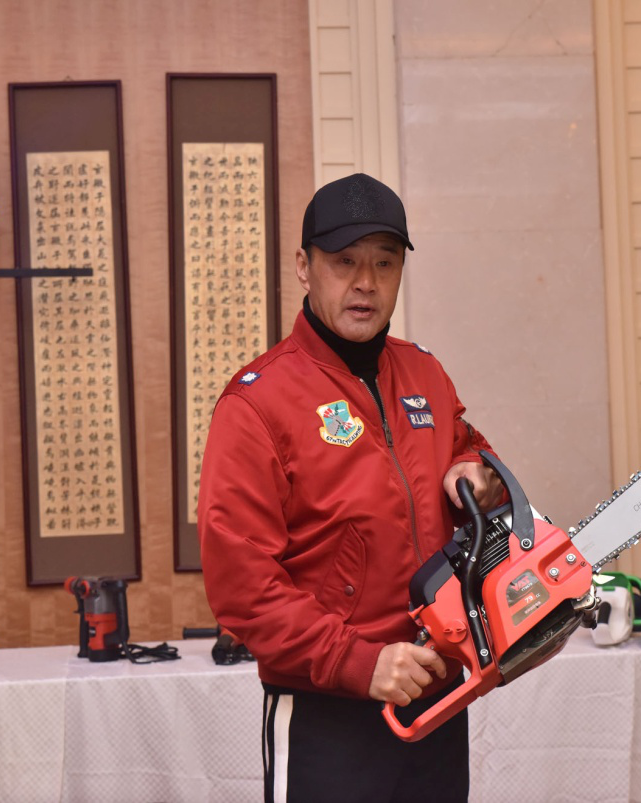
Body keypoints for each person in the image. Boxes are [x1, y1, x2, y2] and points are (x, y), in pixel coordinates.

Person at [198, 173, 503, 803]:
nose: (366, 282)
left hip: (438, 691)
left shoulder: (424, 373)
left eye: (384, 263)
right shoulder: (256, 404)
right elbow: (241, 587)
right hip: (328, 708)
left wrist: (480, 473)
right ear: (304, 268)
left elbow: (472, 450)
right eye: (344, 261)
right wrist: (360, 664)